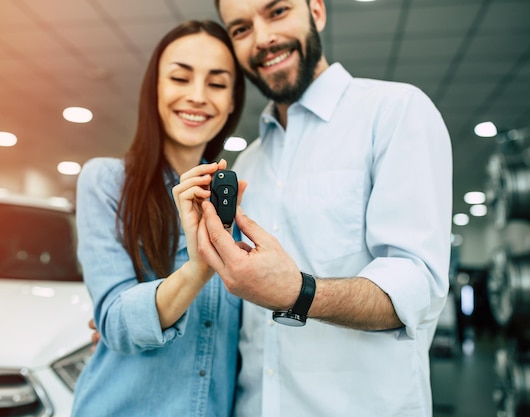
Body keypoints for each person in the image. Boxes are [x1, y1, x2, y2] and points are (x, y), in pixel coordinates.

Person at [194, 0, 453, 416]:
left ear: (316, 10)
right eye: (241, 29)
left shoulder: (395, 112)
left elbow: (417, 286)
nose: (262, 39)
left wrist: (299, 292)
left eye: (277, 11)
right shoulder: (248, 164)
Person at [71, 20, 245, 417]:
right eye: (180, 78)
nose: (198, 96)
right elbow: (115, 322)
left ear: (233, 100)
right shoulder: (107, 181)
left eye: (217, 84)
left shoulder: (235, 201)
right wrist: (198, 270)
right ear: (155, 89)